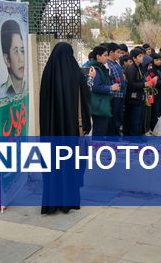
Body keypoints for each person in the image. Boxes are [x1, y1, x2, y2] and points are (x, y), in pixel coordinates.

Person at [39, 42, 91, 214]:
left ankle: (51, 202)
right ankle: (68, 201)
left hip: (51, 132)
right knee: (70, 165)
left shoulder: (48, 73)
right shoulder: (75, 73)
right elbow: (85, 100)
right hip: (71, 131)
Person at [88, 46, 121, 137]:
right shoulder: (96, 69)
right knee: (99, 131)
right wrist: (111, 88)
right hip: (99, 105)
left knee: (102, 130)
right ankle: (96, 149)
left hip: (102, 104)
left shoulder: (101, 67)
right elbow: (95, 87)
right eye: (105, 55)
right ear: (98, 56)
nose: (107, 57)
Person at [124, 48, 150, 136]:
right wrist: (144, 84)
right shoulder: (131, 68)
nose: (142, 58)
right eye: (139, 56)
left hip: (139, 97)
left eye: (142, 55)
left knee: (139, 119)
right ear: (134, 58)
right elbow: (131, 84)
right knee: (135, 120)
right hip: (133, 99)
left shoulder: (139, 67)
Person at [0, 19, 26, 97]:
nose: (21, 59)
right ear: (6, 60)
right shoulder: (2, 92)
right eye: (16, 51)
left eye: (22, 51)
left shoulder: (27, 88)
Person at [106, 43, 126, 135]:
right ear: (111, 52)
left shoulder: (116, 64)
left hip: (121, 95)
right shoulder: (108, 65)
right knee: (113, 118)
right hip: (114, 96)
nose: (119, 55)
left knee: (118, 117)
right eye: (118, 52)